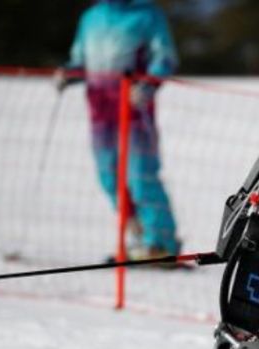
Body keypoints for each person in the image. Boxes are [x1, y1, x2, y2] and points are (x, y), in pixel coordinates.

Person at [57, 0, 181, 262]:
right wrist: (68, 73)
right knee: (108, 175)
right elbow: (80, 60)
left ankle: (161, 244)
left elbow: (165, 57)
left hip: (134, 107)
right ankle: (137, 237)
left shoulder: (147, 15)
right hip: (100, 108)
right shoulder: (91, 17)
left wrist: (147, 85)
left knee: (140, 174)